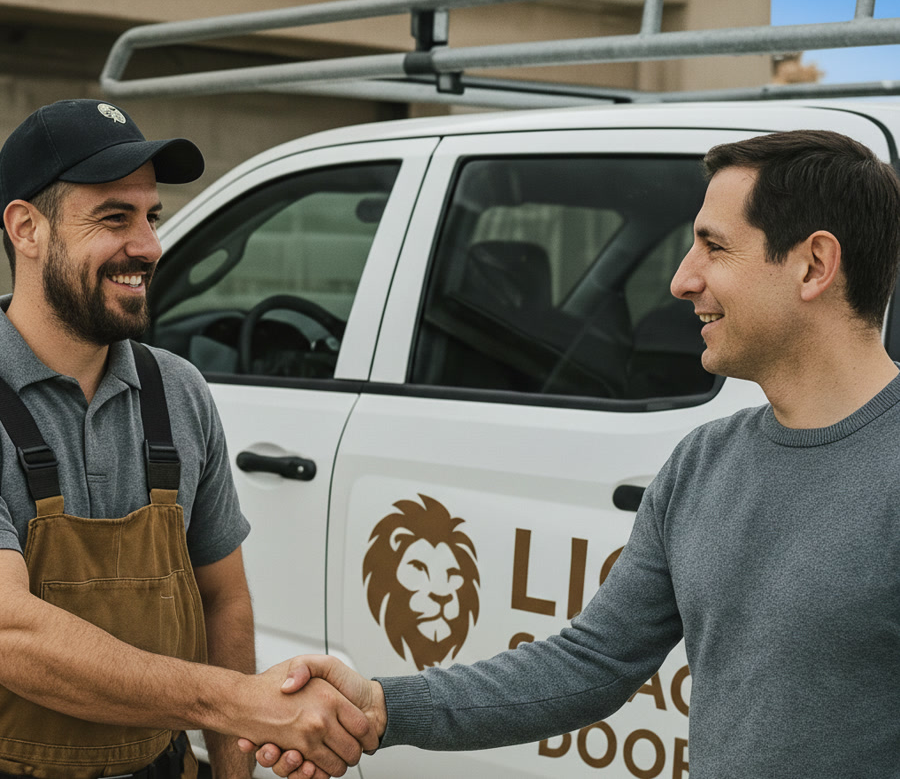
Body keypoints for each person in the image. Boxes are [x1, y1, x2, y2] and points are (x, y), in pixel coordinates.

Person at [241, 129, 900, 778]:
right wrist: (383, 707)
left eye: (714, 247)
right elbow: (591, 663)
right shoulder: (705, 462)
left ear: (814, 265)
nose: (681, 280)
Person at [0, 99, 376, 779]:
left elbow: (222, 600)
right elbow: (11, 634)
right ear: (27, 228)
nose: (147, 247)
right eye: (114, 218)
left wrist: (233, 771)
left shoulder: (178, 392)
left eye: (151, 218)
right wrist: (243, 704)